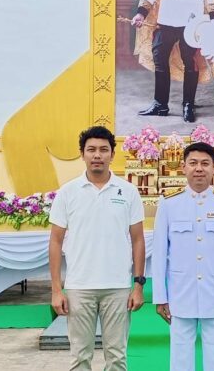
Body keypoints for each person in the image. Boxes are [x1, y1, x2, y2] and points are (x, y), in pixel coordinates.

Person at [48, 126, 146, 371]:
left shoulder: (128, 192)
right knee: (80, 356)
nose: (97, 155)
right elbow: (56, 241)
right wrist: (57, 290)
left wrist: (138, 286)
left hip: (118, 288)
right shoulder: (68, 192)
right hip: (79, 287)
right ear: (82, 154)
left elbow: (138, 240)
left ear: (112, 154)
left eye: (103, 150)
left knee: (117, 357)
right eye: (91, 149)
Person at [152, 142, 214, 370]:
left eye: (205, 163)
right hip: (180, 291)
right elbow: (159, 252)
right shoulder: (168, 202)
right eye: (193, 163)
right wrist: (160, 296)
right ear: (183, 167)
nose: (199, 168)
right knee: (180, 356)